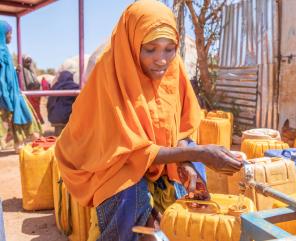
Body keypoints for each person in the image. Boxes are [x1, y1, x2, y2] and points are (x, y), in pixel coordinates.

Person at [54, 1, 243, 240]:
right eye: (150, 49)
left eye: (169, 48)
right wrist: (198, 153)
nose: (161, 59)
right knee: (126, 190)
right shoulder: (110, 75)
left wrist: (187, 156)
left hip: (153, 160)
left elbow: (182, 130)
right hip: (108, 164)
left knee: (194, 161)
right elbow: (125, 153)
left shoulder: (175, 72)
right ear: (132, 45)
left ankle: (187, 225)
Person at [0, 20, 42, 151]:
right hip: (6, 94)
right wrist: (6, 94)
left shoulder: (4, 50)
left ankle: (19, 144)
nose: (11, 36)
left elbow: (5, 71)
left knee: (18, 115)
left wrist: (13, 70)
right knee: (19, 114)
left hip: (11, 92)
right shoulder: (1, 51)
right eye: (9, 33)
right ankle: (20, 144)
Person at [47, 70, 79, 135]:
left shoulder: (54, 87)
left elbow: (49, 102)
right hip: (67, 117)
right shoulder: (75, 87)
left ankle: (58, 138)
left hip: (53, 117)